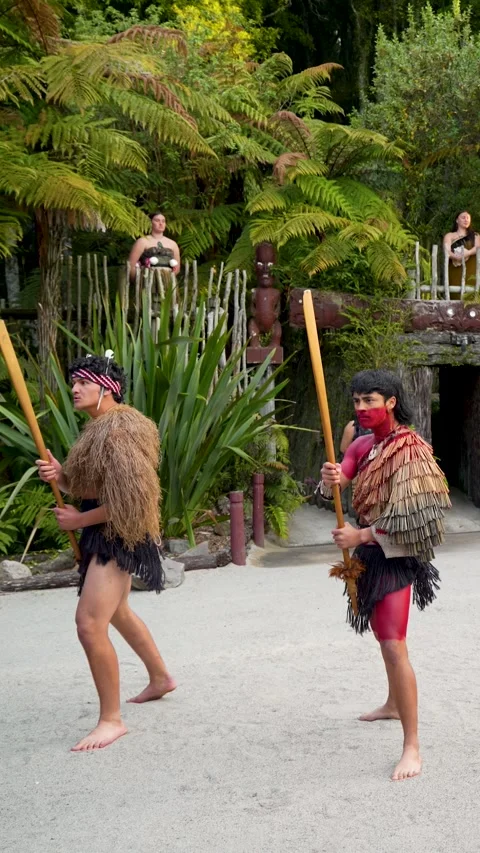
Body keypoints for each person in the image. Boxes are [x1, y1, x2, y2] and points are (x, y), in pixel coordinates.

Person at [36, 354, 176, 752]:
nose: (75, 388)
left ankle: (111, 720)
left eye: (83, 382)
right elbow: (90, 489)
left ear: (107, 387)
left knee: (89, 623)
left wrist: (78, 523)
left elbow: (132, 500)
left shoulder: (121, 430)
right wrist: (60, 476)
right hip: (107, 531)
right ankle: (161, 678)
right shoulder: (98, 428)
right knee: (117, 612)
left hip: (120, 535)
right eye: (73, 382)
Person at [320, 369, 450, 781]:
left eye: (370, 401)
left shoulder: (410, 450)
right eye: (357, 401)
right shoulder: (361, 444)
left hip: (396, 555)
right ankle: (394, 703)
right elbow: (343, 476)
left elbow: (417, 516)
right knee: (382, 636)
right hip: (370, 553)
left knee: (394, 644)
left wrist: (361, 533)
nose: (361, 408)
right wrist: (332, 481)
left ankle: (412, 746)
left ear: (391, 402)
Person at [128, 211, 181, 282]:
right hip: (147, 281)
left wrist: (168, 279)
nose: (161, 223)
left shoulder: (173, 244)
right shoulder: (142, 241)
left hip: (167, 281)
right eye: (157, 220)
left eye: (163, 221)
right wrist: (138, 282)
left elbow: (177, 268)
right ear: (150, 223)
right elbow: (131, 266)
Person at [443, 210, 480, 297]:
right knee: (455, 293)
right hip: (455, 269)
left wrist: (468, 253)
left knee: (473, 294)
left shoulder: (475, 235)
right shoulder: (450, 236)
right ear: (457, 220)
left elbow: (478, 248)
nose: (466, 220)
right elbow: (447, 250)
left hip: (472, 269)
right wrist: (455, 256)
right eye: (463, 217)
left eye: (468, 218)